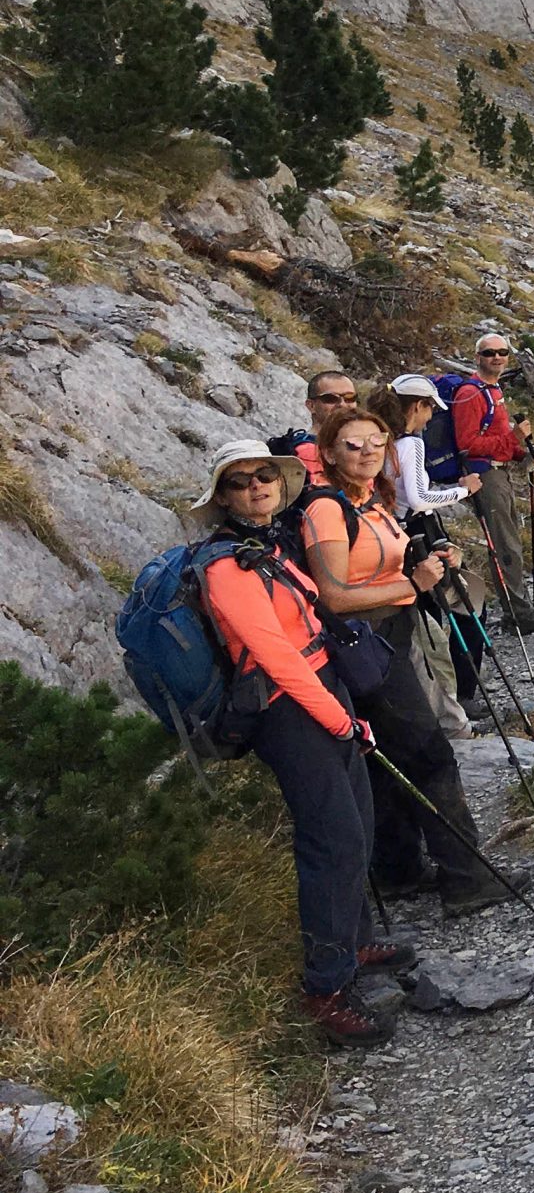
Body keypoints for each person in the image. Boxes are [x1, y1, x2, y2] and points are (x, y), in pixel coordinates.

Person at [191, 440, 409, 1045]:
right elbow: (273, 655)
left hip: (321, 691)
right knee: (331, 841)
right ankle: (327, 989)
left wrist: (339, 706)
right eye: (240, 482)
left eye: (265, 476)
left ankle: (355, 941)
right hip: (286, 711)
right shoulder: (225, 565)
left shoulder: (267, 546)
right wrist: (339, 719)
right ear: (223, 497)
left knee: (356, 820)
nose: (257, 488)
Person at [297, 406, 507, 916]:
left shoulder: (370, 500)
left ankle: (398, 870)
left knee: (386, 756)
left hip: (385, 635)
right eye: (353, 443)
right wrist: (413, 583)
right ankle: (467, 879)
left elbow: (376, 568)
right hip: (367, 641)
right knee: (428, 753)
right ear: (328, 453)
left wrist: (429, 560)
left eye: (376, 441)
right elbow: (334, 596)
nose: (368, 451)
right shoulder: (326, 509)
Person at [369, 378, 482, 738]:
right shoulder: (411, 443)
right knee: (446, 617)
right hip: (416, 537)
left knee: (431, 624)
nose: (432, 416)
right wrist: (462, 491)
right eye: (430, 407)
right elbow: (418, 499)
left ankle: (451, 706)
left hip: (392, 538)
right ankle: (455, 711)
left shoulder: (382, 441)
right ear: (416, 406)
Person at [451, 330, 534, 632]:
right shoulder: (470, 394)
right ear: (478, 357)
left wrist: (521, 454)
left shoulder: (493, 390)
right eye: (489, 353)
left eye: (502, 352)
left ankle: (518, 609)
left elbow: (496, 437)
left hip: (498, 472)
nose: (496, 357)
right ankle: (518, 615)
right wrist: (513, 439)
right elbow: (467, 444)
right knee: (504, 545)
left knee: (508, 542)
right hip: (484, 476)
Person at [266, 369, 360, 480]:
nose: (342, 404)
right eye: (330, 399)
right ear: (311, 406)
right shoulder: (305, 450)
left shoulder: (366, 445)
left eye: (349, 398)